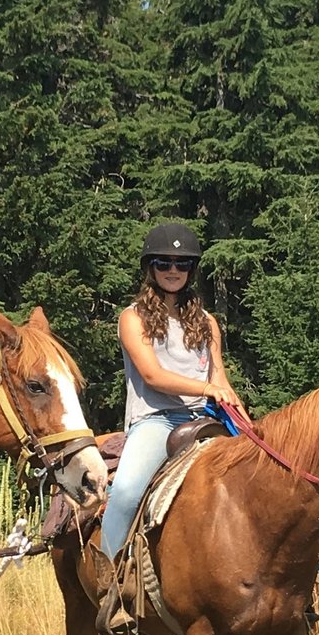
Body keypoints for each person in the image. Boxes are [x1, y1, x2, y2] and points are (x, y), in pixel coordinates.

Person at [99, 221, 247, 565]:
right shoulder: (132, 318)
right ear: (150, 267)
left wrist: (245, 421)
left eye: (182, 264)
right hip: (157, 422)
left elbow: (219, 377)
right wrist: (207, 388)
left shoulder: (207, 321)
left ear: (191, 270)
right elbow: (153, 376)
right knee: (125, 491)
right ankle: (108, 572)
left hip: (205, 420)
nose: (173, 270)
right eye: (164, 263)